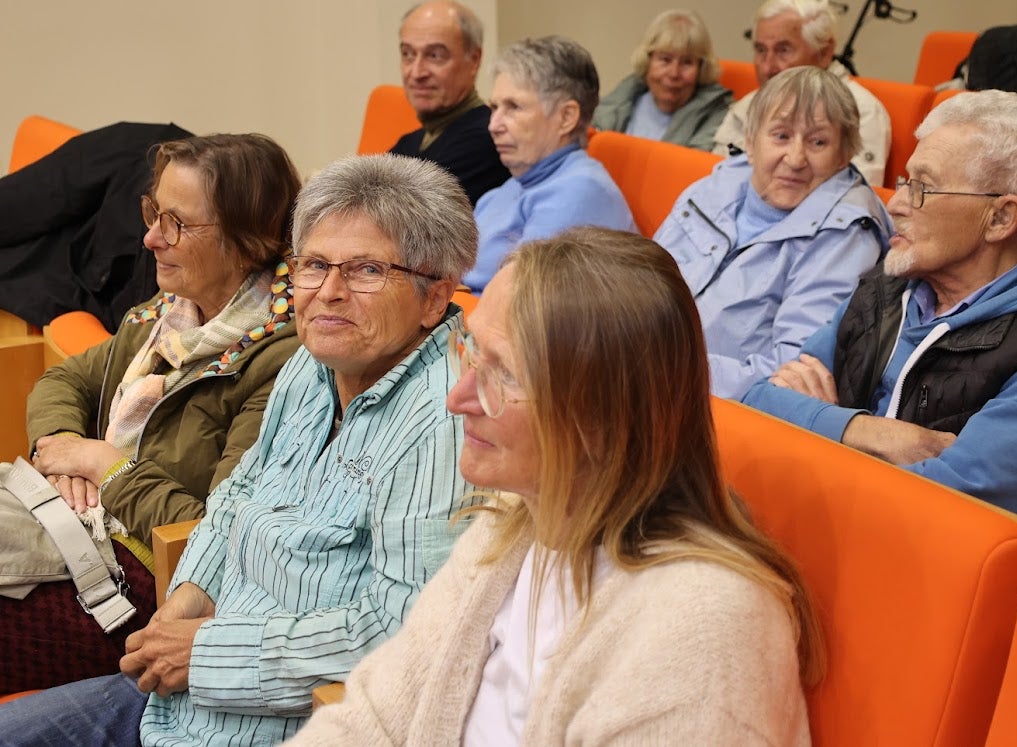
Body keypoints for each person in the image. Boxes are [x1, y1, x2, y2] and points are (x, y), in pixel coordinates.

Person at [0, 153, 480, 747]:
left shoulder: (449, 418)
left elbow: (405, 630)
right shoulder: (312, 367)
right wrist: (184, 603)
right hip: (177, 695)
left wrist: (205, 652)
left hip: (281, 721)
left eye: (365, 270)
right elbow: (235, 499)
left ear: (433, 297)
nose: (328, 293)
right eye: (314, 265)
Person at [0, 133, 304, 745]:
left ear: (249, 237)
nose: (151, 238)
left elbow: (213, 536)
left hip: (127, 590)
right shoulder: (172, 312)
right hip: (63, 533)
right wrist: (62, 448)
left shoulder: (279, 363)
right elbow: (64, 378)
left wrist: (107, 466)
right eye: (152, 212)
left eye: (178, 224)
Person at [285, 227, 821, 744]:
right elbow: (375, 719)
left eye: (505, 375)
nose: (459, 398)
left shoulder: (704, 629)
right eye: (471, 351)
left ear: (603, 418)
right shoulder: (513, 525)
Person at [744, 90, 1017, 514]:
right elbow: (759, 401)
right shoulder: (893, 283)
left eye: (922, 189)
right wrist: (868, 432)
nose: (894, 204)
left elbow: (943, 499)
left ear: (1001, 218)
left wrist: (814, 428)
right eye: (903, 181)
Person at [653, 66, 891, 399]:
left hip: (707, 403)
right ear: (750, 142)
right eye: (781, 136)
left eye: (818, 142)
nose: (795, 159)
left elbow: (792, 370)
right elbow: (640, 285)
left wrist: (661, 368)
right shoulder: (711, 188)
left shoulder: (846, 234)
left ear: (843, 156)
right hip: (641, 371)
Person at [464, 35, 636, 294]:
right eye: (494, 107)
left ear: (566, 117)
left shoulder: (581, 191)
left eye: (513, 107)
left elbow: (520, 306)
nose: (493, 125)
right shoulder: (515, 183)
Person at [711, 0, 891, 186]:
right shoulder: (747, 105)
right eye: (761, 50)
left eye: (783, 50)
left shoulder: (860, 111)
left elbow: (854, 198)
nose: (767, 67)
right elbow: (713, 181)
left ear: (824, 52)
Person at [389, 0, 510, 205]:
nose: (416, 72)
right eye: (407, 54)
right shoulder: (410, 142)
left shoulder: (488, 139)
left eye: (435, 56)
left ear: (474, 60)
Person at [592, 9, 733, 150]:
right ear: (648, 61)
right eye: (665, 59)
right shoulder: (623, 98)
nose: (674, 73)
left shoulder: (717, 117)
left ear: (701, 68)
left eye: (687, 62)